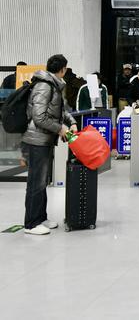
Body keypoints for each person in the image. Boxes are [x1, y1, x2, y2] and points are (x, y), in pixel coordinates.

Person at [20, 54, 77, 235]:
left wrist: (72, 122)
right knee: (36, 182)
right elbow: (39, 117)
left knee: (42, 180)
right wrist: (60, 129)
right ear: (63, 69)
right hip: (36, 140)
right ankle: (31, 224)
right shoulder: (44, 86)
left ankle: (40, 218)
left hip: (44, 140)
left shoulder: (53, 85)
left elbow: (60, 111)